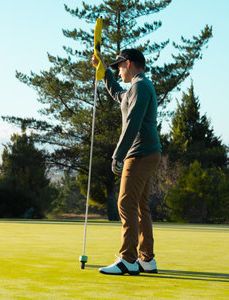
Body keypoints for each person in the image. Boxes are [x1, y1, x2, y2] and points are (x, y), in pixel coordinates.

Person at [91, 49, 162, 275]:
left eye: (119, 67)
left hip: (140, 153)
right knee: (140, 206)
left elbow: (132, 123)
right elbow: (118, 94)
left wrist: (118, 154)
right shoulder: (136, 87)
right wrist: (103, 73)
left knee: (125, 203)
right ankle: (146, 260)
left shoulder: (140, 86)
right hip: (146, 152)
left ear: (128, 63)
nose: (118, 71)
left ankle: (128, 259)